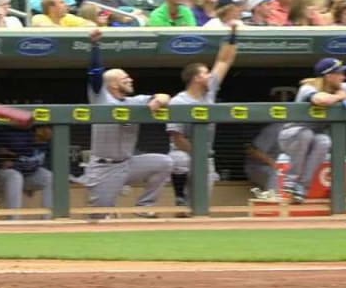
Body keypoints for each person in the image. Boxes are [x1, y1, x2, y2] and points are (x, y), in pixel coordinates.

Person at [82, 28, 172, 217]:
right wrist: (95, 46)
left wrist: (158, 100)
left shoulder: (135, 101)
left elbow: (165, 96)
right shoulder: (101, 98)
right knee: (98, 217)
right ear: (113, 85)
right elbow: (95, 73)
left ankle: (144, 206)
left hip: (128, 164)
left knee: (164, 162)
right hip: (104, 167)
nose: (130, 80)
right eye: (125, 79)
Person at [167, 23, 239, 213]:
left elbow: (224, 60)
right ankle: (179, 196)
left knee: (201, 204)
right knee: (179, 161)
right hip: (185, 153)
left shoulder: (209, 91)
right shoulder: (179, 101)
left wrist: (232, 34)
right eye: (206, 73)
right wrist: (197, 154)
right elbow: (177, 137)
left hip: (206, 155)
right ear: (196, 78)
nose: (210, 76)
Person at [279, 58, 346, 203]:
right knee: (306, 134)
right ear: (329, 76)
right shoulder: (308, 88)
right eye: (340, 73)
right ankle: (290, 183)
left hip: (312, 138)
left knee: (324, 141)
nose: (343, 77)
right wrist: (339, 96)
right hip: (291, 136)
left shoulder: (340, 87)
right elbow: (320, 100)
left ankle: (301, 188)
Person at [0, 125, 53, 217]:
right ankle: (14, 221)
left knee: (49, 176)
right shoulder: (3, 131)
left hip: (22, 173)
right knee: (15, 176)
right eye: (38, 136)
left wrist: (18, 166)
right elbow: (4, 163)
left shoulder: (39, 140)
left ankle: (47, 221)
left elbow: (32, 164)